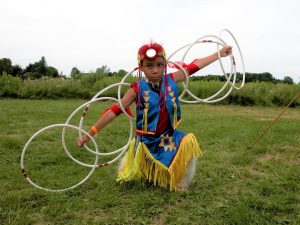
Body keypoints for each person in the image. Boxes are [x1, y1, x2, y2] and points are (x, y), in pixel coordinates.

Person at [77, 42, 232, 191]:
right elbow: (113, 111)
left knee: (188, 143)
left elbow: (194, 66)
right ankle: (142, 168)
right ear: (141, 68)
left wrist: (219, 54)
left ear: (164, 65)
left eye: (159, 65)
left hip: (167, 137)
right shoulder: (136, 89)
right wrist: (88, 135)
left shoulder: (170, 80)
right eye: (149, 66)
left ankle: (180, 183)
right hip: (146, 141)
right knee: (135, 176)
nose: (155, 70)